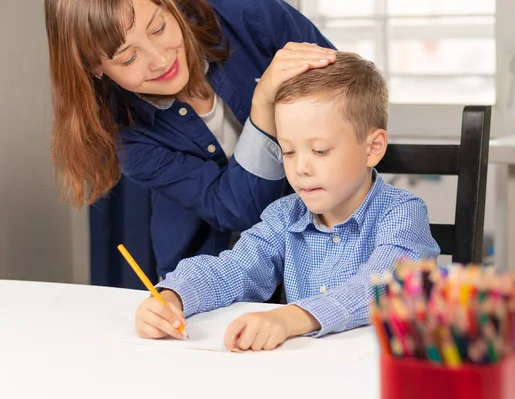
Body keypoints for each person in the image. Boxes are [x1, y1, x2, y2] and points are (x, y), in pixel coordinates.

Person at [134, 52, 441, 351]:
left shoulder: (401, 213)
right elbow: (234, 269)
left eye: (320, 151)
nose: (300, 168)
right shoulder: (284, 215)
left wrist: (290, 318)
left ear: (373, 148)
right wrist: (174, 296)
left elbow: (383, 289)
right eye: (288, 152)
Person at [44, 0, 336, 279]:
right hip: (212, 271)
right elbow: (239, 211)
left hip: (323, 250)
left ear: (169, 5)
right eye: (129, 57)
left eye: (158, 28)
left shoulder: (249, 13)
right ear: (94, 67)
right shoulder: (130, 139)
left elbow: (350, 99)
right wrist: (263, 107)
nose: (160, 60)